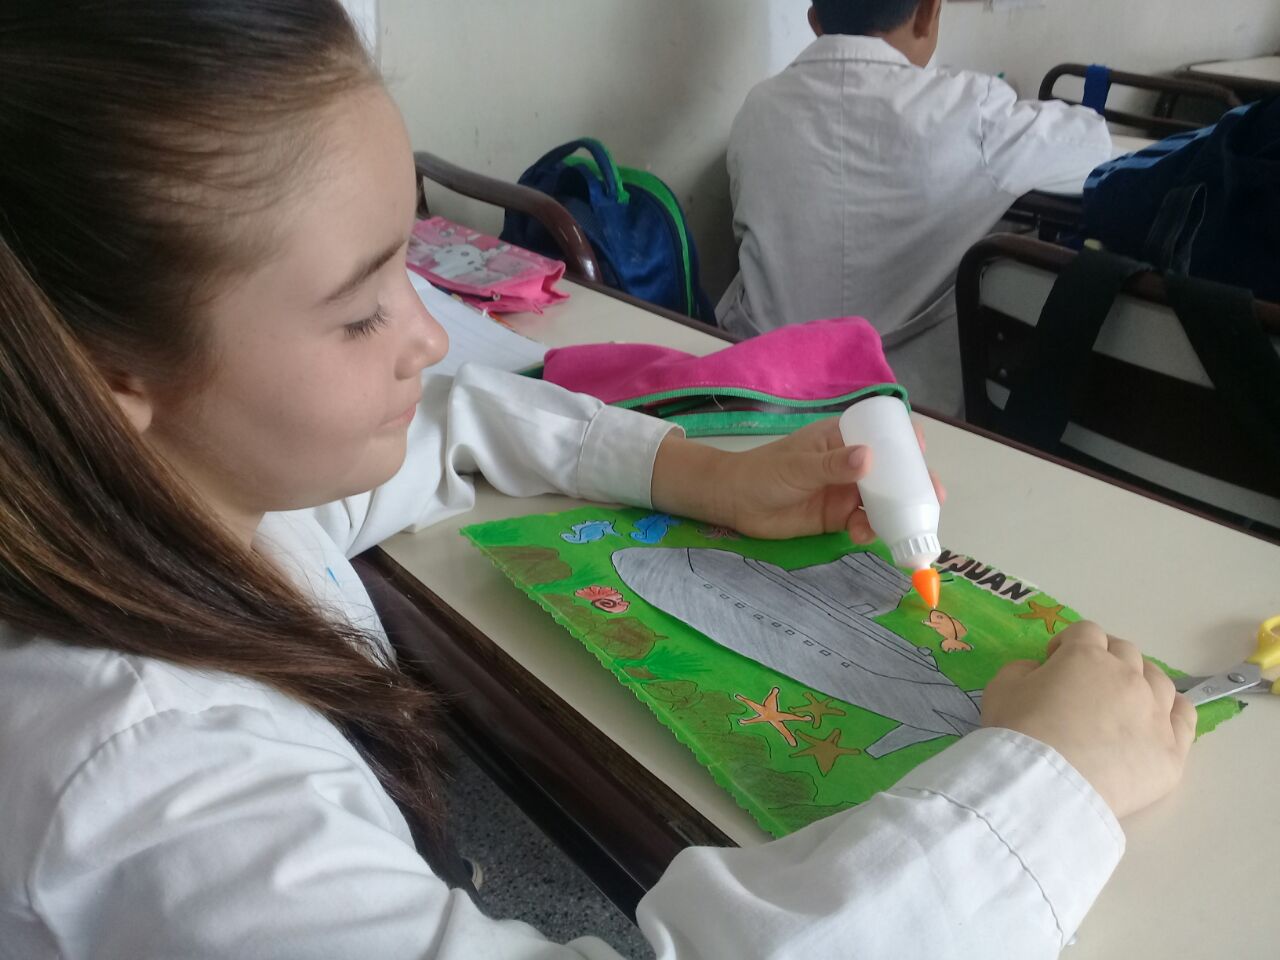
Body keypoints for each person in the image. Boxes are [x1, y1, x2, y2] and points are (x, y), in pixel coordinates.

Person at [0, 3, 1194, 958]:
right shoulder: (150, 786)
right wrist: (1043, 789)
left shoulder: (167, 489)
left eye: (407, 270)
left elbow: (450, 420)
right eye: (360, 310)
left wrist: (697, 472)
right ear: (110, 370)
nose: (428, 336)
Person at [717, 0, 1113, 415]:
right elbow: (1094, 148)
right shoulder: (972, 112)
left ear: (815, 22)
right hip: (913, 417)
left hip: (757, 405)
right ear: (927, 13)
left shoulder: (757, 109)